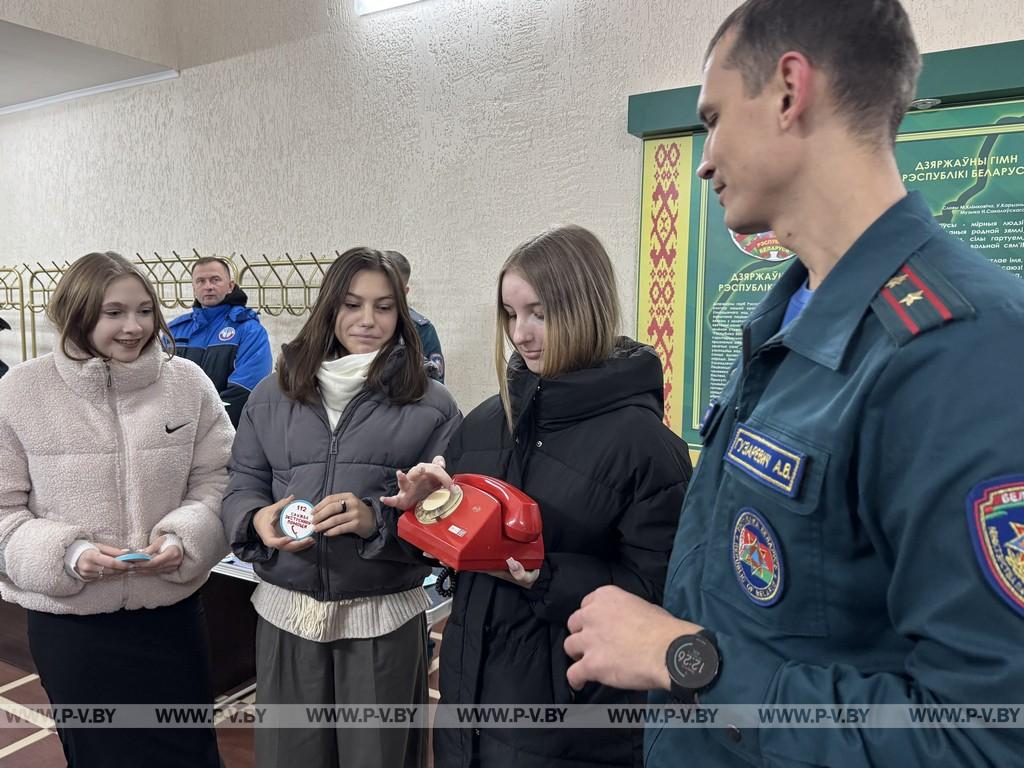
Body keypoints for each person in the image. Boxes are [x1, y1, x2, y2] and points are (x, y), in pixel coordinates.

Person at [563, 2, 1024, 766]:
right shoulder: (790, 317)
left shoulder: (958, 348)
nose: (703, 160)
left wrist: (686, 659)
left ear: (787, 90)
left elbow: (984, 736)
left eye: (712, 119)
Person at [384, 225, 693, 768]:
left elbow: (661, 597)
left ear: (586, 308)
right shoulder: (484, 423)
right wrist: (425, 514)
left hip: (572, 727)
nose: (521, 334)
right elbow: (454, 553)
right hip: (468, 709)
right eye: (510, 314)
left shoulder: (645, 448)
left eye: (539, 313)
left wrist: (542, 574)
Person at [222, 247, 461, 768]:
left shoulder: (433, 405)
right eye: (352, 304)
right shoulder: (271, 395)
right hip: (287, 615)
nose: (367, 321)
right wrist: (256, 519)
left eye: (383, 306)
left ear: (402, 314)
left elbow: (446, 513)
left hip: (383, 619)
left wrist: (378, 519)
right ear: (329, 309)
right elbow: (242, 482)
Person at [0, 251, 232, 767]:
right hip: (73, 626)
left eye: (145, 310)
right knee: (99, 753)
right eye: (113, 312)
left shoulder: (188, 383)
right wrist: (66, 554)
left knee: (190, 749)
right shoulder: (20, 392)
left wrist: (186, 537)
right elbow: (3, 511)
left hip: (171, 614)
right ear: (77, 312)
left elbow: (220, 478)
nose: (134, 327)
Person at [168, 256, 273, 426]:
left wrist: (196, 424)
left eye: (215, 280)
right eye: (201, 281)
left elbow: (244, 391)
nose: (208, 286)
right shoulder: (173, 331)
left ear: (230, 286)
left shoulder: (249, 330)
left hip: (228, 433)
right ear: (193, 287)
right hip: (175, 435)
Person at [385, 250, 446, 382]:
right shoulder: (361, 324)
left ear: (405, 291)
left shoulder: (423, 330)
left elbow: (437, 385)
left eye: (391, 289)